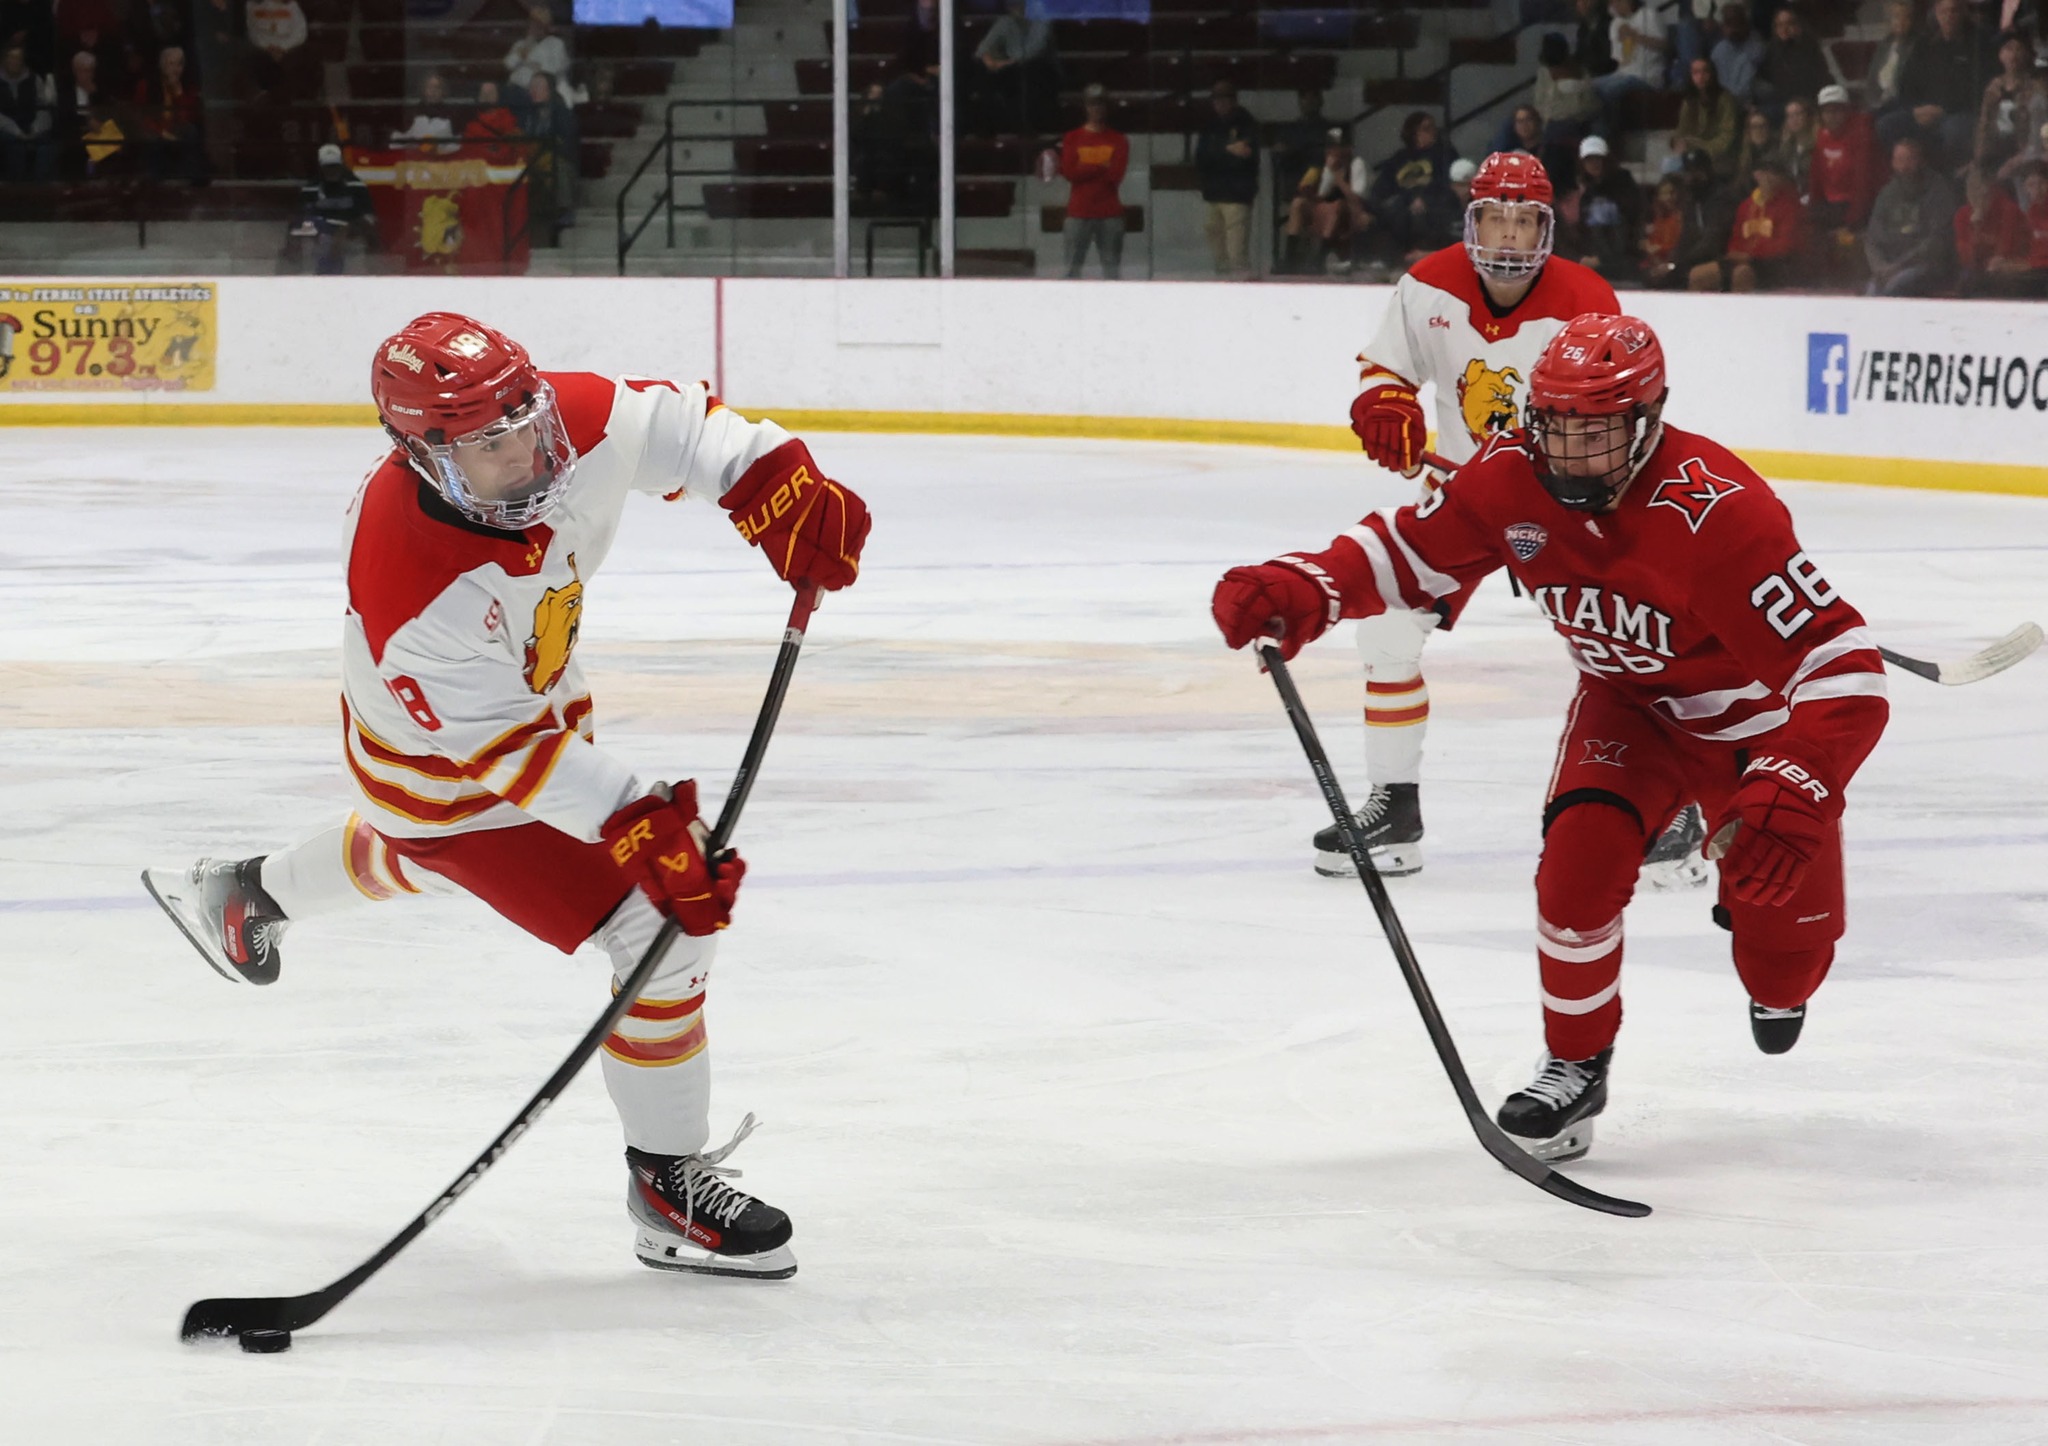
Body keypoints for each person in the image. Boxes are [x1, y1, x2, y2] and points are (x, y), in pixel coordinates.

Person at [142, 312, 872, 1279]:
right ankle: (666, 1185)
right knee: (658, 923)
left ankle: (247, 893)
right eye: (490, 444)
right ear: (424, 455)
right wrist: (644, 826)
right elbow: (514, 760)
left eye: (526, 419)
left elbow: (684, 427)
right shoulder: (414, 588)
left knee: (431, 866)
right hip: (448, 779)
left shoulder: (555, 422)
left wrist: (777, 481)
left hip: (533, 710)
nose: (529, 451)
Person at [1213, 311, 1888, 1161]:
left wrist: (1800, 775)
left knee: (1784, 960)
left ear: (1649, 423)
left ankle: (1780, 970)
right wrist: (1305, 585)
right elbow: (1409, 553)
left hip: (1748, 732)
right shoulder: (1508, 476)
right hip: (1627, 708)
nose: (1568, 454)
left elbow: (1847, 673)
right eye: (1554, 428)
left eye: (1596, 433)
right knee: (1573, 878)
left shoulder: (1722, 515)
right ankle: (1574, 1069)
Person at [1330, 152, 1713, 890]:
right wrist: (1386, 405)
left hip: (1568, 504)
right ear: (1473, 221)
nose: (1508, 236)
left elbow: (1628, 414)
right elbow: (1387, 369)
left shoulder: (1589, 299)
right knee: (1386, 627)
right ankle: (1395, 809)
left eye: (1524, 219)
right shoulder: (1427, 285)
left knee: (1632, 645)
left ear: (1547, 226)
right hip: (1468, 503)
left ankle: (1671, 811)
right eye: (1495, 218)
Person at [1883, 0, 1994, 169]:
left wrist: (1943, 109)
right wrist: (1915, 109)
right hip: (1923, 109)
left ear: (1963, 12)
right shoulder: (1924, 43)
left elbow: (1980, 88)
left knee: (1954, 131)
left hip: (1962, 111)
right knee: (1886, 124)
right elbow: (1907, 83)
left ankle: (1948, 179)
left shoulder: (1979, 43)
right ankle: (1906, 175)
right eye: (1943, 12)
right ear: (1935, 13)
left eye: (1954, 11)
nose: (1948, 17)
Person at [1689, 153, 1802, 289]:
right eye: (1763, 172)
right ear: (1756, 175)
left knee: (1741, 274)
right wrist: (1735, 253)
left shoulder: (1791, 205)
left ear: (1782, 178)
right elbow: (1736, 238)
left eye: (1773, 173)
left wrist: (1750, 256)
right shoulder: (1746, 206)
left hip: (1774, 264)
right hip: (1743, 260)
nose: (1767, 177)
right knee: (1698, 274)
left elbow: (1786, 246)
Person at [1865, 134, 1958, 294]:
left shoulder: (1938, 191)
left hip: (1926, 267)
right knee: (1872, 291)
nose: (1904, 166)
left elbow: (1937, 241)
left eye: (1909, 159)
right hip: (1888, 268)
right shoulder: (1887, 194)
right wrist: (1880, 267)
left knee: (1894, 287)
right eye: (1899, 160)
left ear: (1920, 161)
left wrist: (1898, 266)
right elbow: (1872, 239)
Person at [1367, 110, 1458, 260]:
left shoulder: (1444, 154)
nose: (1432, 132)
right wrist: (1409, 199)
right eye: (1426, 128)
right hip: (1402, 204)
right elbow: (1381, 188)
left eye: (1433, 128)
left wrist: (1425, 198)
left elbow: (1447, 184)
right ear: (1413, 132)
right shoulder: (1399, 158)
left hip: (1433, 205)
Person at [1058, 83, 1127, 279]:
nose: (1097, 109)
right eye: (1092, 104)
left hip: (1109, 212)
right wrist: (1100, 165)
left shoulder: (1118, 140)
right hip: (1079, 211)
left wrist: (1085, 166)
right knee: (1071, 269)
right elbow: (1070, 172)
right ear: (1086, 107)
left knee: (1112, 271)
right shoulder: (1072, 138)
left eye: (1100, 104)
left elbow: (1115, 175)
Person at [1285, 126, 1371, 275]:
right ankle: (1290, 257)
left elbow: (1357, 198)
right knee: (1298, 204)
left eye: (1338, 147)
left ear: (1348, 148)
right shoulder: (1329, 165)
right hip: (1329, 208)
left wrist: (1337, 177)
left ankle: (1319, 258)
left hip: (1351, 211)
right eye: (1331, 147)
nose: (1333, 151)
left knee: (1335, 207)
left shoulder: (1357, 164)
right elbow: (1322, 194)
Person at [1194, 80, 1259, 277]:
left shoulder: (1246, 123)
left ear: (1234, 100)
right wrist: (1227, 149)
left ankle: (1240, 293)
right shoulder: (1211, 125)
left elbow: (1244, 157)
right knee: (1218, 252)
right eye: (1217, 99)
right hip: (1214, 194)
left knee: (1236, 253)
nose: (1220, 103)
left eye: (1225, 99)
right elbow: (1200, 157)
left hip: (1237, 194)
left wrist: (1217, 152)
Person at [1562, 133, 1643, 277]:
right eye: (1589, 160)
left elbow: (1631, 224)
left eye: (1598, 158)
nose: (1594, 164)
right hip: (1592, 257)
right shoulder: (1585, 193)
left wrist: (1605, 258)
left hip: (1622, 258)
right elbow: (1584, 230)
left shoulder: (1624, 186)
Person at [971, 0, 1056, 135]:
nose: (1013, 7)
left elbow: (1033, 52)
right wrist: (989, 61)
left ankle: (1027, 128)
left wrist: (1004, 63)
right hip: (1013, 70)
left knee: (1030, 72)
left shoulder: (1043, 20)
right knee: (985, 74)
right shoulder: (1006, 22)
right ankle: (985, 130)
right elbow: (981, 50)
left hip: (1042, 71)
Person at [291, 140, 376, 272]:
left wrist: (346, 231)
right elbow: (300, 219)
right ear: (321, 166)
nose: (331, 170)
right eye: (327, 166)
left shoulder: (357, 186)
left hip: (351, 240)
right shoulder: (310, 189)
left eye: (334, 166)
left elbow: (369, 219)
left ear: (341, 164)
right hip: (319, 242)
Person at [1976, 30, 2048, 178]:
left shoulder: (2037, 89)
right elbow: (1984, 125)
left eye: (2018, 49)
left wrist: (2019, 159)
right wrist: (1979, 159)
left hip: (2027, 154)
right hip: (1998, 151)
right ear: (2000, 55)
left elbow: (2039, 131)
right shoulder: (1993, 88)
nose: (2013, 55)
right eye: (2009, 49)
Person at [1810, 83, 1877, 234]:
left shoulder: (1861, 134)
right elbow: (1816, 175)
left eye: (1836, 110)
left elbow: (1863, 182)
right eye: (1827, 111)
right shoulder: (1822, 135)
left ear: (1846, 111)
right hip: (1829, 203)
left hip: (1852, 206)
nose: (1831, 116)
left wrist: (1851, 221)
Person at [132, 41, 203, 182]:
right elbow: (140, 115)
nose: (176, 69)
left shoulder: (189, 87)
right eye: (171, 64)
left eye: (179, 64)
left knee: (191, 132)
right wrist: (160, 131)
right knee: (152, 139)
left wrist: (178, 93)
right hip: (156, 130)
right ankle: (154, 182)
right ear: (162, 66)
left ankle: (192, 182)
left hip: (177, 130)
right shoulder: (146, 85)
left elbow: (188, 118)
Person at [1954, 161, 2027, 291]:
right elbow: (1965, 258)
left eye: (1984, 192)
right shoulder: (1962, 215)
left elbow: (2006, 250)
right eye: (1973, 190)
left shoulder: (2009, 210)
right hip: (1978, 271)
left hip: (2009, 268)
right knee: (1966, 282)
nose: (1979, 197)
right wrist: (1976, 227)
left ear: (1992, 190)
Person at [1751, 5, 1829, 119]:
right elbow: (1762, 79)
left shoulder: (1811, 48)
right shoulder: (1771, 50)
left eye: (1789, 23)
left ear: (1798, 26)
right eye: (1780, 25)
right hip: (1781, 105)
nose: (1785, 29)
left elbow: (1821, 79)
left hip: (1808, 103)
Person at [1671, 55, 1742, 177]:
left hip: (1719, 156)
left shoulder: (1725, 99)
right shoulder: (1689, 101)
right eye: (1696, 72)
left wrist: (1703, 148)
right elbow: (1682, 131)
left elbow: (1727, 135)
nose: (1700, 77)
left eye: (1705, 72)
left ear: (1712, 74)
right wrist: (1677, 142)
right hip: (1692, 153)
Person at [1594, 0, 1669, 112]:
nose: (1615, 5)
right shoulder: (1616, 23)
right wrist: (1623, 42)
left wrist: (1634, 36)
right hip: (1624, 73)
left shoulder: (1648, 15)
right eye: (1612, 3)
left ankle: (1608, 128)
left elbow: (1664, 45)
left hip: (1647, 76)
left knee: (1608, 90)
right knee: (1590, 87)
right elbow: (1622, 60)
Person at [0, 41, 54, 180]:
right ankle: (16, 190)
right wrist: (17, 133)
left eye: (18, 58)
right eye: (11, 58)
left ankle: (40, 190)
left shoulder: (34, 79)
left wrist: (34, 130)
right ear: (4, 59)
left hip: (31, 127)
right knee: (15, 146)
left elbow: (43, 109)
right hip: (6, 129)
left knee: (46, 146)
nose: (15, 62)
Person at [505, 5, 571, 94]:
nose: (535, 27)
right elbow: (509, 64)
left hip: (544, 90)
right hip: (517, 89)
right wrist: (525, 47)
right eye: (533, 23)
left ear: (546, 26)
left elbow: (555, 69)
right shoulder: (521, 44)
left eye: (539, 24)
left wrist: (532, 65)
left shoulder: (556, 44)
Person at [1709, 2, 1765, 104]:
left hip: (1752, 101)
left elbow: (1748, 85)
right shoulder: (1718, 51)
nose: (1733, 29)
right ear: (1723, 26)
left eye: (1737, 23)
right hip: (1725, 104)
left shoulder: (1757, 46)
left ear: (1745, 23)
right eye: (1729, 24)